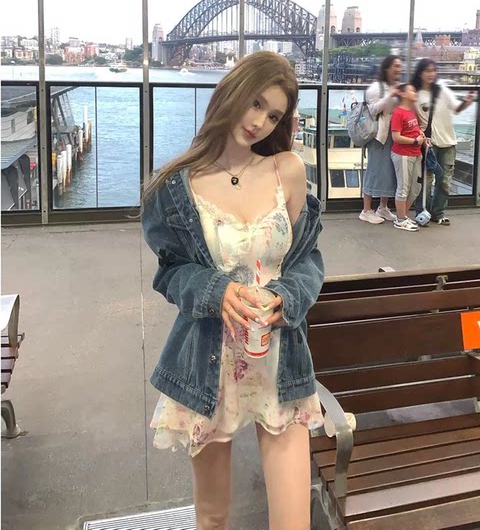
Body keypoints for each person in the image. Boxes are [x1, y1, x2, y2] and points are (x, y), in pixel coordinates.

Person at [142, 51, 324, 530]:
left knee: (294, 522)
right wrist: (214, 290)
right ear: (232, 91)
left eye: (274, 115)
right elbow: (170, 271)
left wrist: (288, 296)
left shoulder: (288, 169)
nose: (260, 122)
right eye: (256, 102)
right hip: (208, 363)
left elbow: (307, 259)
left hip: (280, 360)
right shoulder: (177, 186)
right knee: (212, 518)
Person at [412, 59, 477, 225]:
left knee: (445, 181)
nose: (431, 74)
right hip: (428, 144)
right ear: (420, 72)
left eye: (433, 71)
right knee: (425, 182)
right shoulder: (415, 94)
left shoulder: (442, 91)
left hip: (448, 142)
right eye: (427, 71)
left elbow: (456, 108)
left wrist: (467, 102)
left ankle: (438, 213)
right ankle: (422, 214)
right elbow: (411, 119)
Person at [359, 55, 402, 224]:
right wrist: (391, 95)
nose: (399, 69)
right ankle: (366, 209)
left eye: (399, 66)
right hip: (379, 136)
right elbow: (373, 110)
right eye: (395, 66)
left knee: (389, 171)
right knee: (374, 170)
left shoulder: (397, 86)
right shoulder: (376, 88)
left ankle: (383, 207)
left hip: (394, 134)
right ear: (387, 68)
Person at [390, 84, 426, 232]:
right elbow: (396, 137)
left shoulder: (411, 111)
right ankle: (400, 219)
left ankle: (403, 215)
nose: (415, 92)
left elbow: (413, 129)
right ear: (403, 94)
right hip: (403, 154)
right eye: (411, 90)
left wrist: (421, 136)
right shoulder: (398, 113)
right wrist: (415, 141)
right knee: (403, 187)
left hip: (416, 153)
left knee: (415, 188)